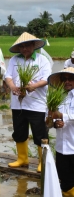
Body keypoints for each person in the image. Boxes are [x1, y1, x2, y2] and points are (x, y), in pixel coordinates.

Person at [4, 32, 51, 173]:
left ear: (33, 46)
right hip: (18, 104)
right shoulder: (14, 60)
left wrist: (34, 86)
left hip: (37, 104)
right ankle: (22, 158)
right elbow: (8, 76)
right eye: (21, 46)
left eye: (27, 46)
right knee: (19, 131)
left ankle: (43, 162)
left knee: (40, 133)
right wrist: (12, 87)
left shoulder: (42, 60)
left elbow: (46, 78)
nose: (24, 49)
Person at [47, 67, 74, 197]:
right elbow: (48, 120)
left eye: (71, 79)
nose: (67, 82)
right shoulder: (57, 97)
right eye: (64, 79)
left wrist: (62, 115)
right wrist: (55, 123)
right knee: (65, 181)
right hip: (61, 147)